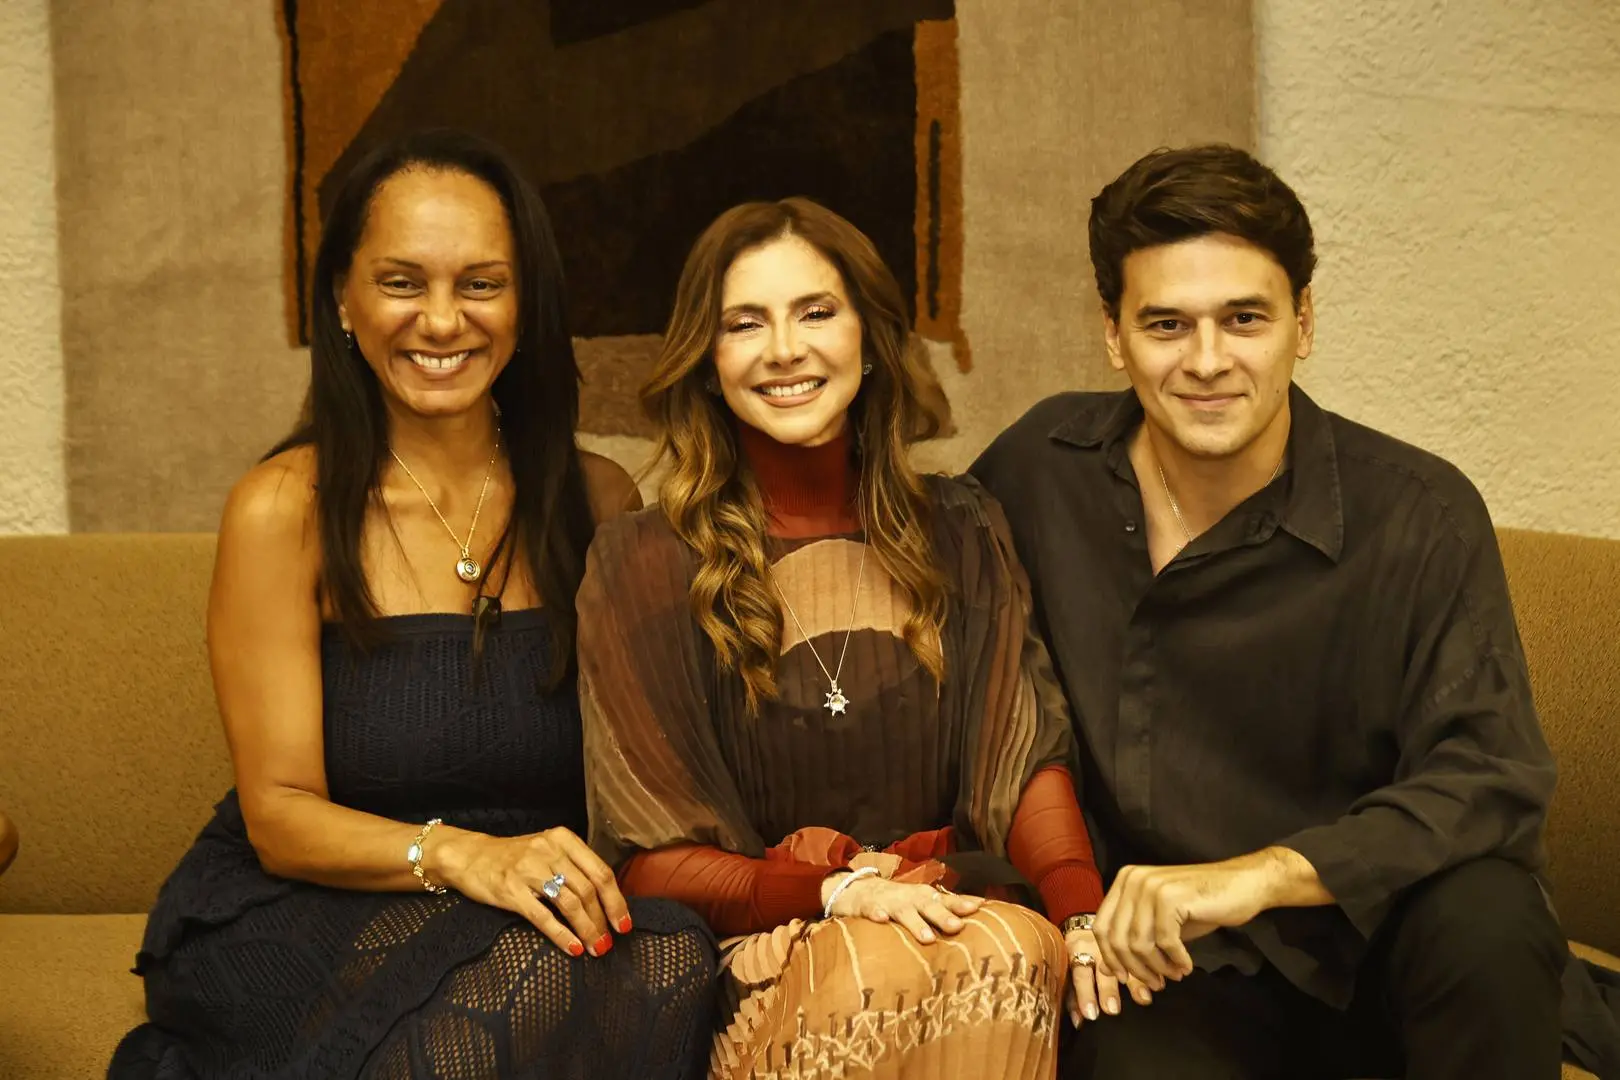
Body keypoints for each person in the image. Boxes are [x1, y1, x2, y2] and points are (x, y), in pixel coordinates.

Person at [109, 130, 716, 1080]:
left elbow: (638, 774)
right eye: (402, 282)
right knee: (511, 995)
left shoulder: (598, 501)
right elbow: (280, 815)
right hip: (313, 903)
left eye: (480, 283)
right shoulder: (284, 508)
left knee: (672, 954)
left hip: (518, 904)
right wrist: (466, 857)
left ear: (524, 303)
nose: (441, 321)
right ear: (343, 301)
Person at [971, 144, 1567, 1079]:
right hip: (1174, 967)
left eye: (1244, 318)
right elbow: (926, 613)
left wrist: (1262, 875)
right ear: (1114, 336)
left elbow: (1492, 776)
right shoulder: (1039, 472)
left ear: (1304, 322)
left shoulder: (1421, 511)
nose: (1208, 361)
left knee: (1490, 914)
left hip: (1379, 938)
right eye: (1167, 324)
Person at [576, 197, 1129, 1080]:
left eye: (816, 312)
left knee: (1015, 950)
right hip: (765, 939)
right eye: (745, 323)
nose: (784, 349)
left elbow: (1021, 760)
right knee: (885, 968)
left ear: (869, 340)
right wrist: (838, 890)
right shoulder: (642, 562)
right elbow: (648, 860)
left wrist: (1081, 912)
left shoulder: (963, 528)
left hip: (955, 918)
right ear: (708, 363)